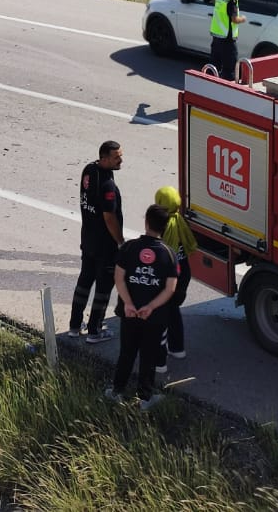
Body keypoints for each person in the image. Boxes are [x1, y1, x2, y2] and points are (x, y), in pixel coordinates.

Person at [106, 203, 180, 410]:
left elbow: (118, 278)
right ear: (165, 227)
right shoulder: (169, 254)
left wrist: (129, 304)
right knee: (148, 356)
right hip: (154, 317)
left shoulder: (129, 247)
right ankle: (145, 398)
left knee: (126, 353)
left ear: (146, 222)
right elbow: (170, 289)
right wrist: (150, 307)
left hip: (129, 314)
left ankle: (117, 391)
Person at [70, 140, 125, 344]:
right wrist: (120, 241)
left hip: (88, 239)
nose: (121, 160)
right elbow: (109, 217)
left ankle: (75, 326)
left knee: (84, 280)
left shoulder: (89, 170)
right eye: (116, 157)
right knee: (103, 286)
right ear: (104, 158)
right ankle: (94, 330)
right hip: (105, 245)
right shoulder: (107, 184)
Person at [154, 186, 194, 371]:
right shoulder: (180, 220)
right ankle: (177, 348)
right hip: (183, 273)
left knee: (162, 314)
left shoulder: (160, 225)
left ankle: (159, 360)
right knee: (174, 310)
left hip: (169, 277)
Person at [209, 0, 247, 80]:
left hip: (216, 37)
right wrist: (243, 19)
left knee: (214, 67)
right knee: (229, 70)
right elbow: (234, 19)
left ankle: (210, 87)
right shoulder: (232, 0)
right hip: (227, 40)